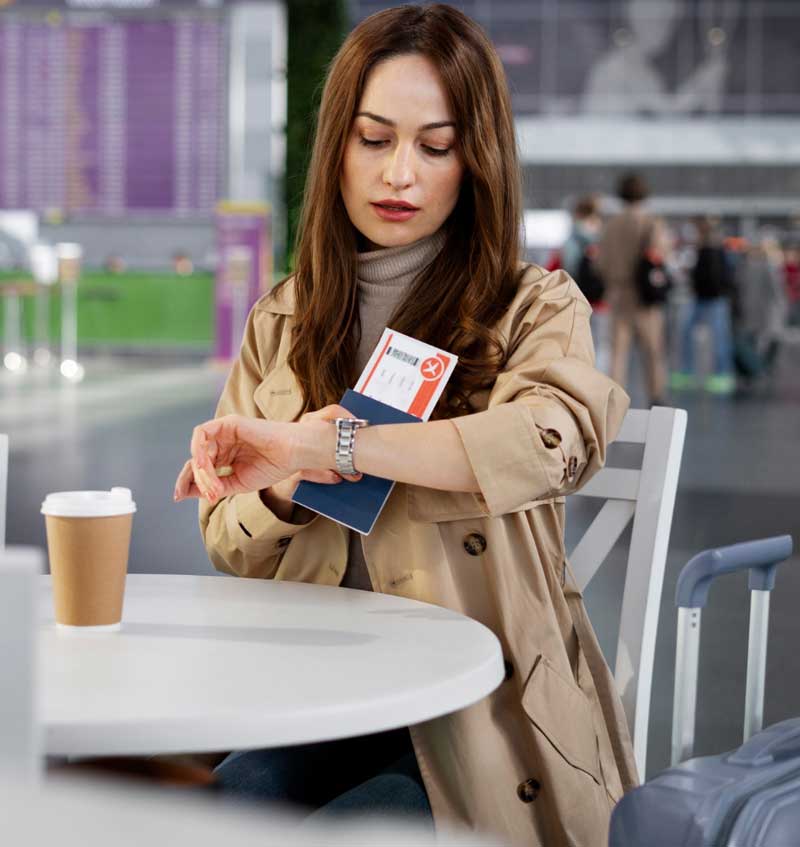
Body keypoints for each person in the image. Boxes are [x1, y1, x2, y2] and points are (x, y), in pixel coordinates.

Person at [174, 6, 636, 846]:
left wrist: (331, 443)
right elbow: (228, 543)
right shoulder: (282, 319)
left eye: (435, 145)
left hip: (480, 714)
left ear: (476, 160)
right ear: (336, 150)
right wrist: (278, 480)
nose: (399, 175)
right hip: (316, 698)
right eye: (374, 138)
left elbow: (551, 442)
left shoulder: (534, 304)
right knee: (209, 820)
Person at [596, 172, 670, 406]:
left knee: (618, 351)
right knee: (652, 351)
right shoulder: (651, 222)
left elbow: (601, 263)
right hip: (644, 297)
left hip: (618, 293)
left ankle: (616, 400)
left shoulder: (611, 225)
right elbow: (661, 255)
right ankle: (656, 395)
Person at [671, 217, 736, 394]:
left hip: (714, 299)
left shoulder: (716, 251)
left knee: (719, 338)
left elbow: (722, 277)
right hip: (700, 298)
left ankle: (721, 374)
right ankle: (687, 371)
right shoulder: (702, 251)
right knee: (687, 333)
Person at [561, 194, 610, 373]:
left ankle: (584, 380)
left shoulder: (572, 239)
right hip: (601, 300)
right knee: (601, 344)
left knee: (580, 343)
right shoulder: (601, 238)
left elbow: (568, 269)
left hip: (579, 300)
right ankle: (600, 381)